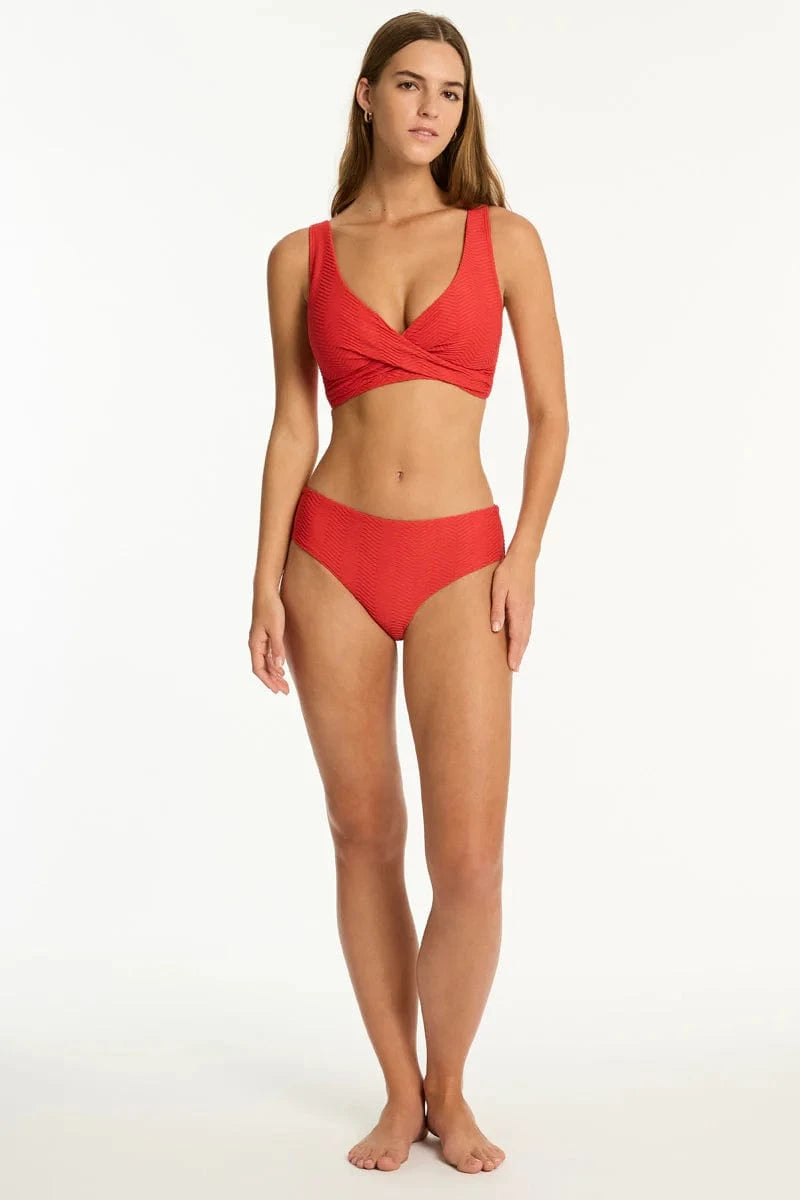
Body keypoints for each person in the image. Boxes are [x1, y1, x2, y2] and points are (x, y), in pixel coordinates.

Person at [249, 11, 568, 1176]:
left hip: (460, 562)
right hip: (328, 557)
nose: (430, 108)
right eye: (409, 86)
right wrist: (264, 581)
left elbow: (550, 417)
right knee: (362, 834)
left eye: (450, 91)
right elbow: (293, 427)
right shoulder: (301, 255)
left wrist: (521, 555)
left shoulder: (503, 239)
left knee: (470, 861)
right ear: (365, 95)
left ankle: (451, 1085)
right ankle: (397, 1091)